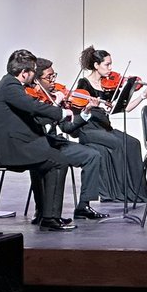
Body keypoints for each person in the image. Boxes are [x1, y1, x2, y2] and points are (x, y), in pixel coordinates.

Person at [0, 49, 73, 230]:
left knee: (51, 158)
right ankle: (49, 218)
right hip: (10, 149)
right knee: (59, 161)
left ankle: (46, 214)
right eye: (33, 71)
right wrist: (61, 112)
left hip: (16, 143)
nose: (35, 76)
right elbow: (31, 106)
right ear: (24, 73)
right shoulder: (10, 86)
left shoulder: (10, 83)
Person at [32, 57, 108, 220]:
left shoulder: (55, 95)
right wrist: (54, 105)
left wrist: (86, 112)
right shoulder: (31, 98)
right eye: (49, 77)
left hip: (55, 142)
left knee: (92, 155)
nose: (53, 81)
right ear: (36, 79)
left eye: (54, 76)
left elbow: (67, 128)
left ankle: (84, 206)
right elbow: (37, 121)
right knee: (40, 164)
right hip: (37, 144)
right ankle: (42, 210)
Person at [75, 45, 147, 205]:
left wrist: (142, 96)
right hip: (89, 129)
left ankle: (136, 192)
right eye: (107, 64)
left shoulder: (108, 85)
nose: (111, 68)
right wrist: (92, 106)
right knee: (118, 143)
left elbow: (124, 108)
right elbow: (78, 109)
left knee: (133, 143)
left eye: (111, 64)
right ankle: (118, 192)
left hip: (104, 127)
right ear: (96, 65)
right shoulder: (84, 84)